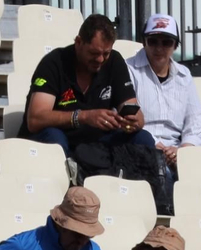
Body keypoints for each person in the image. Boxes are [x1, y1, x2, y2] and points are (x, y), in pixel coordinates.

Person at [15, 13, 148, 156]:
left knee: (143, 138)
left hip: (96, 143)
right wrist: (83, 117)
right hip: (59, 138)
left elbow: (135, 112)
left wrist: (132, 122)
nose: (100, 59)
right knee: (55, 138)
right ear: (78, 42)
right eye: (94, 53)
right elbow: (35, 119)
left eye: (106, 54)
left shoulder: (114, 62)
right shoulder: (54, 63)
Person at [126, 14, 201, 169]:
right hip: (140, 148)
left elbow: (196, 120)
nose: (159, 48)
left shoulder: (184, 75)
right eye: (153, 41)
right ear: (144, 42)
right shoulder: (128, 69)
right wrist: (156, 145)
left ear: (175, 46)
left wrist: (184, 150)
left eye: (166, 42)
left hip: (178, 151)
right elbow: (126, 119)